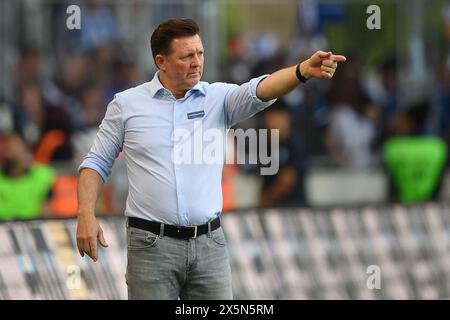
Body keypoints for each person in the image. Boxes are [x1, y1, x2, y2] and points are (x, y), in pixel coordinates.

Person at [76, 18, 346, 300]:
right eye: (187, 56)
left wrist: (303, 70)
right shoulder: (126, 105)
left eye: (200, 53)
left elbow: (262, 89)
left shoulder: (218, 98)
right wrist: (85, 215)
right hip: (151, 246)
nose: (196, 62)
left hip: (209, 244)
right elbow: (95, 163)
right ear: (161, 61)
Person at [0, 132, 56, 220]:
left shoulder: (43, 175)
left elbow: (47, 210)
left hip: (34, 225)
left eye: (18, 148)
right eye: (8, 149)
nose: (12, 153)